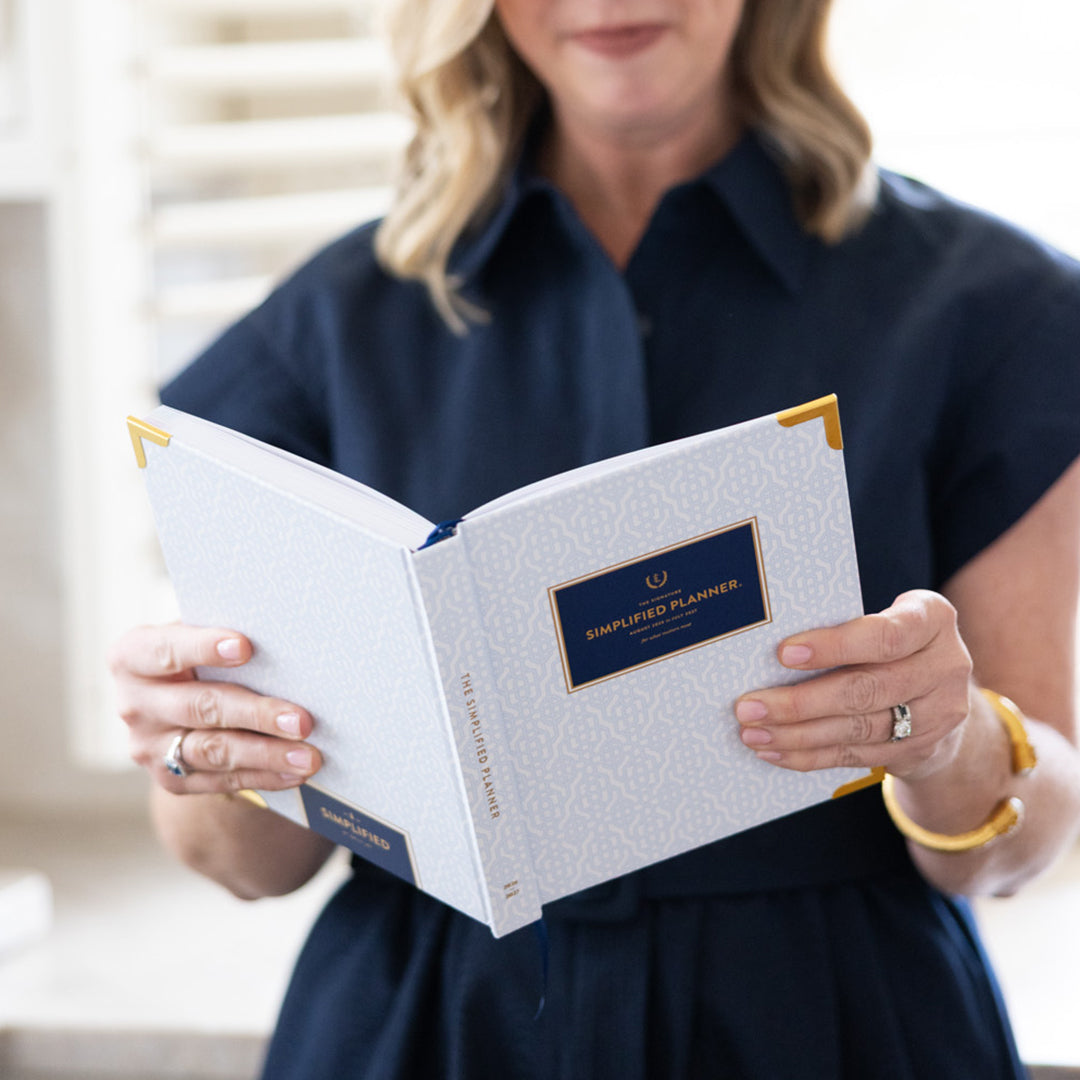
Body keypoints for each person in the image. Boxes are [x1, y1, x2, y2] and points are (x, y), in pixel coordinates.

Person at [110, 0, 1080, 1076]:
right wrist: (211, 740)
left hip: (838, 1019)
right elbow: (244, 865)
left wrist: (946, 740)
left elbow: (1026, 839)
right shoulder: (325, 327)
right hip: (433, 1030)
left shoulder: (998, 311)